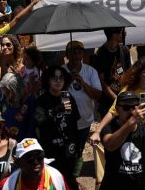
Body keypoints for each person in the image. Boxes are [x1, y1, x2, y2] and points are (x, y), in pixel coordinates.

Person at [34, 66, 80, 189]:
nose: (58, 81)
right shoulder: (42, 100)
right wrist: (55, 111)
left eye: (61, 78)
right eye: (54, 78)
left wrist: (77, 146)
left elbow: (73, 123)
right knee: (52, 182)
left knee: (69, 181)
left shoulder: (67, 97)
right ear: (48, 80)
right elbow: (39, 122)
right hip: (50, 150)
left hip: (68, 149)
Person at [62, 40, 102, 175]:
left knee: (79, 150)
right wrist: (68, 81)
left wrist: (82, 83)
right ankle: (66, 175)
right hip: (66, 121)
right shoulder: (61, 71)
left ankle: (74, 175)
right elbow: (56, 95)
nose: (76, 55)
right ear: (66, 55)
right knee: (65, 150)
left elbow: (97, 95)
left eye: (79, 52)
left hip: (85, 120)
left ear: (83, 54)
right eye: (72, 52)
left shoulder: (90, 71)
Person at [0, 138, 68, 190]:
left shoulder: (57, 177)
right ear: (18, 162)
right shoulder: (6, 186)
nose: (36, 162)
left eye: (39, 156)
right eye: (30, 159)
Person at [93, 27, 132, 115]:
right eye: (122, 31)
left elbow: (129, 73)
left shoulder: (125, 49)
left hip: (124, 98)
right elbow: (102, 82)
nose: (125, 34)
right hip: (107, 102)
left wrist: (127, 95)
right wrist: (116, 99)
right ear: (114, 34)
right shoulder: (100, 54)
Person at [0, 73, 36, 141]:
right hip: (3, 140)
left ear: (18, 90)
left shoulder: (29, 100)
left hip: (23, 141)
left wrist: (28, 142)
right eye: (4, 92)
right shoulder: (1, 96)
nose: (7, 96)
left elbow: (31, 124)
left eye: (8, 93)